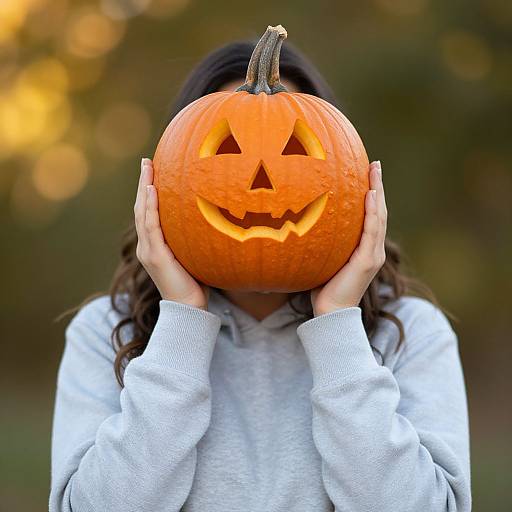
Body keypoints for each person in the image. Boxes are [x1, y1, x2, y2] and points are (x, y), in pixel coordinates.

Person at [49, 36, 472, 512]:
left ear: (352, 179)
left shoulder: (412, 333)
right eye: (227, 149)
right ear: (164, 181)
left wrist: (337, 325)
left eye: (295, 149)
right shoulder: (104, 331)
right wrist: (182, 321)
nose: (261, 181)